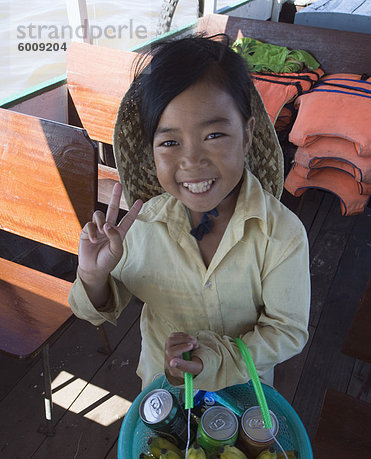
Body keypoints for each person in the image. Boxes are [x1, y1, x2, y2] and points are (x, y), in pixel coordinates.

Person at [68, 34, 310, 392]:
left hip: (246, 392)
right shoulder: (143, 226)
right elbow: (100, 306)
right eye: (169, 142)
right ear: (151, 151)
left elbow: (287, 330)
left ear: (247, 134)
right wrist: (93, 276)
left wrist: (215, 359)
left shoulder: (281, 233)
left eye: (214, 135)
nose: (192, 161)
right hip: (163, 390)